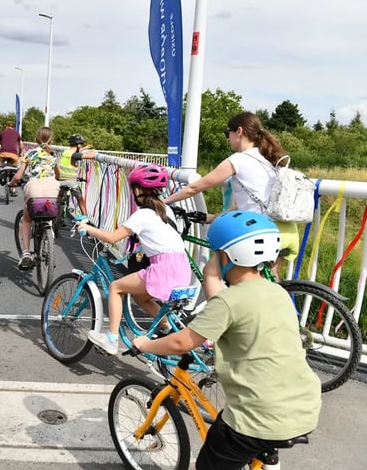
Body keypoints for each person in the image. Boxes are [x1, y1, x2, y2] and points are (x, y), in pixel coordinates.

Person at [131, 211, 321, 469]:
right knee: (256, 442)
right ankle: (270, 461)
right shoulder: (277, 292)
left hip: (257, 416)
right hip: (303, 405)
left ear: (226, 256)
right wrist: (212, 275)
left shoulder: (229, 302)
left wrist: (145, 344)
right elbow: (223, 309)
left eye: (215, 251)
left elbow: (181, 343)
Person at [163, 111, 299, 275]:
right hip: (289, 232)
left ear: (239, 131)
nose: (227, 138)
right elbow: (250, 202)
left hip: (263, 232)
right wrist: (216, 216)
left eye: (228, 133)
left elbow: (194, 188)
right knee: (268, 286)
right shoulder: (270, 160)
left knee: (211, 273)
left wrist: (163, 202)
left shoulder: (238, 160)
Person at [76, 164, 191, 355]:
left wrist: (87, 228)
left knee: (115, 287)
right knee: (140, 296)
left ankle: (111, 339)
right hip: (181, 268)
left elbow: (112, 238)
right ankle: (168, 329)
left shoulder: (142, 215)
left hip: (163, 269)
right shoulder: (166, 210)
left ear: (137, 190)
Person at [8, 127, 60, 269]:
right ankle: (50, 242)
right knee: (49, 213)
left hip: (34, 188)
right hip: (52, 188)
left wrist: (11, 184)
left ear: (36, 139)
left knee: (26, 218)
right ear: (51, 140)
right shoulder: (53, 155)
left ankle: (26, 253)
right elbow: (59, 175)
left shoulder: (30, 154)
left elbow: (19, 176)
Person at [55, 134, 91, 216]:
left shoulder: (66, 152)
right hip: (71, 181)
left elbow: (76, 153)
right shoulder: (75, 155)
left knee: (59, 197)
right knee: (80, 199)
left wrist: (84, 148)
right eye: (81, 145)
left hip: (60, 180)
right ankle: (85, 218)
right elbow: (89, 156)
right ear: (78, 145)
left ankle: (54, 216)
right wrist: (94, 153)